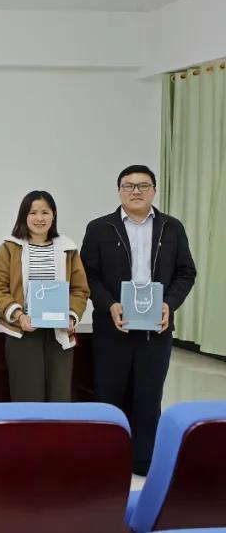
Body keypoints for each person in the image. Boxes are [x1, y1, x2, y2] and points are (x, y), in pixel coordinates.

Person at [81, 165, 196, 475]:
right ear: (119, 190)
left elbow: (186, 271)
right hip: (112, 328)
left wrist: (169, 304)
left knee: (148, 396)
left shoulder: (172, 228)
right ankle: (107, 461)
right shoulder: (99, 228)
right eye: (129, 185)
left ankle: (143, 461)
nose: (136, 191)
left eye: (143, 185)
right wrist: (109, 305)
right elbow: (87, 274)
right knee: (109, 395)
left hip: (155, 329)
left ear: (154, 190)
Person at [0, 190, 89, 402]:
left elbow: (79, 289)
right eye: (33, 213)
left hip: (59, 332)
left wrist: (71, 317)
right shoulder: (10, 247)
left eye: (45, 212)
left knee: (59, 398)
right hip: (23, 332)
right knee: (27, 397)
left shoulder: (67, 248)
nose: (39, 218)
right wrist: (19, 316)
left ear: (54, 215)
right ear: (24, 215)